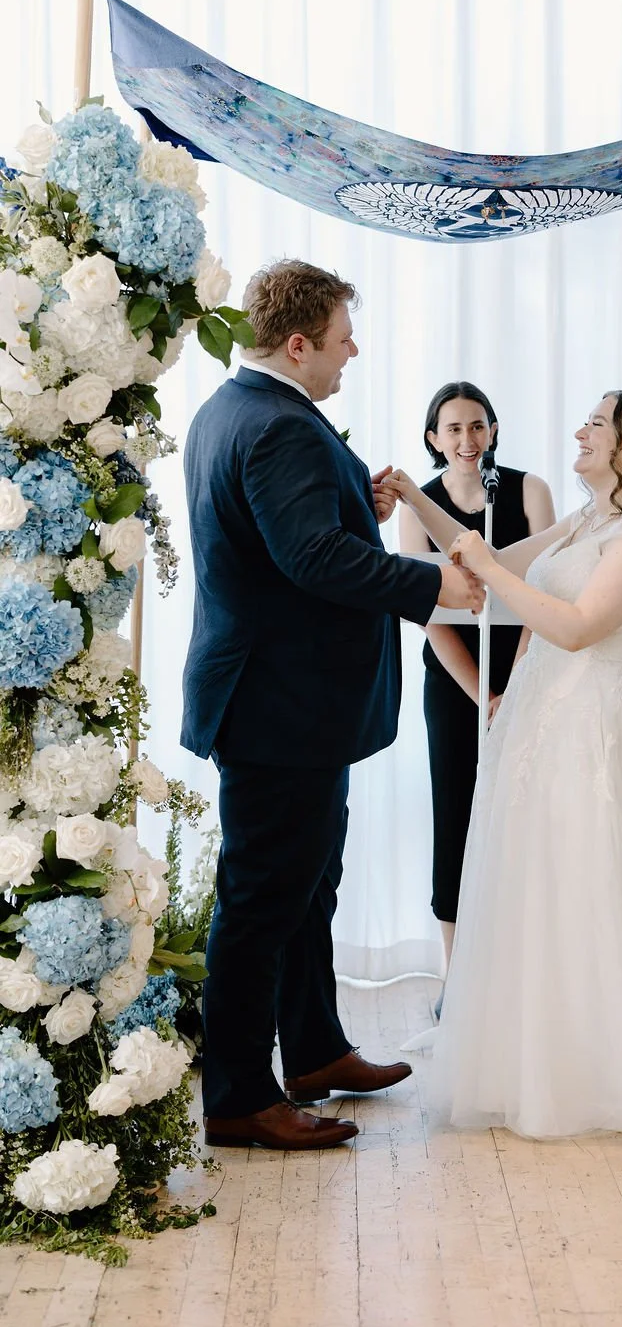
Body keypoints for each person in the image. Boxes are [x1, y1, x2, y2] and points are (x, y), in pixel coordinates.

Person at [180, 259, 484, 1151]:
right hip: (281, 706)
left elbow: (295, 535)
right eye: (344, 337)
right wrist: (435, 585)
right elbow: (313, 559)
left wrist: (365, 494)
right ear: (302, 342)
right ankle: (238, 1095)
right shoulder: (277, 427)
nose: (354, 352)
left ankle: (313, 1051)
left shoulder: (237, 410)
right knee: (263, 897)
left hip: (288, 703)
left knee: (309, 885)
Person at [387, 391, 622, 1143]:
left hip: (598, 730)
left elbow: (579, 629)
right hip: (542, 726)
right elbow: (484, 559)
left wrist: (488, 563)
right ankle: (537, 1057)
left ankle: (611, 1064)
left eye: (595, 421)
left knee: (596, 884)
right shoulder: (589, 521)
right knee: (541, 881)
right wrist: (415, 496)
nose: (578, 431)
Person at [399, 382, 555, 975]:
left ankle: (524, 966)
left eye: (478, 426)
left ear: (492, 431)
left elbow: (547, 590)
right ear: (434, 439)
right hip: (454, 683)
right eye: (455, 429)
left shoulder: (528, 491)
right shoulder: (420, 506)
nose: (468, 439)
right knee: (457, 811)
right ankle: (457, 973)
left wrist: (514, 690)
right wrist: (482, 697)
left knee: (529, 810)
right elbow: (425, 613)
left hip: (530, 670)